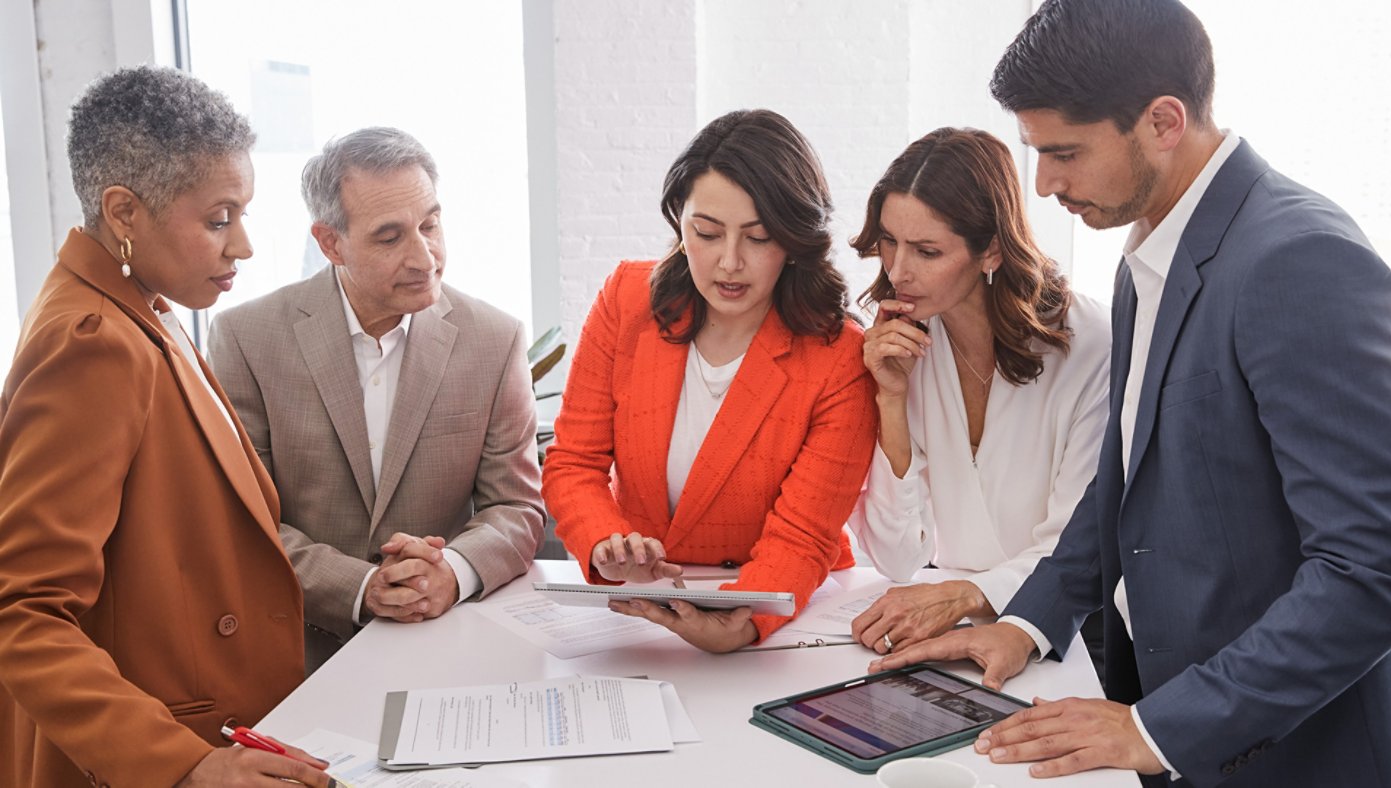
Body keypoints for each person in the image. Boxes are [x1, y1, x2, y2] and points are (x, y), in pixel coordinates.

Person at [871, 1, 1391, 785]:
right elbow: (1122, 487)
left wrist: (1160, 728)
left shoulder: (1299, 258)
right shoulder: (1142, 255)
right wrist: (1024, 620)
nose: (1044, 184)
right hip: (1168, 725)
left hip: (1292, 755)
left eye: (1065, 153)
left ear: (1162, 121)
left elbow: (1372, 568)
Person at [0, 66, 332, 787]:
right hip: (158, 751)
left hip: (221, 725)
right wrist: (182, 767)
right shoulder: (90, 339)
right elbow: (23, 613)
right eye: (218, 219)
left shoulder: (147, 307)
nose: (241, 245)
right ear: (124, 213)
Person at [209, 127, 544, 671]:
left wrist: (451, 572)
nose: (424, 257)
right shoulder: (246, 338)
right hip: (294, 654)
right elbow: (240, 520)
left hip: (448, 650)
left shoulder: (495, 338)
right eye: (390, 238)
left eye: (430, 225)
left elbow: (517, 507)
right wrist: (359, 586)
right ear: (329, 243)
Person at [542, 109, 877, 653]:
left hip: (778, 611)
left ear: (794, 240)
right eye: (706, 233)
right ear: (680, 222)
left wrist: (744, 622)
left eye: (758, 237)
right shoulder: (627, 300)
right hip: (638, 607)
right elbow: (574, 463)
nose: (729, 263)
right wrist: (607, 542)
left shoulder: (838, 356)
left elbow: (804, 535)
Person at [844, 128, 1109, 656]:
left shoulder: (1089, 345)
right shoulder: (901, 346)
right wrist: (890, 400)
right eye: (889, 241)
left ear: (990, 250)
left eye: (927, 250)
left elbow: (1077, 546)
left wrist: (964, 596)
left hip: (1066, 632)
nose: (898, 271)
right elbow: (898, 559)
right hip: (943, 619)